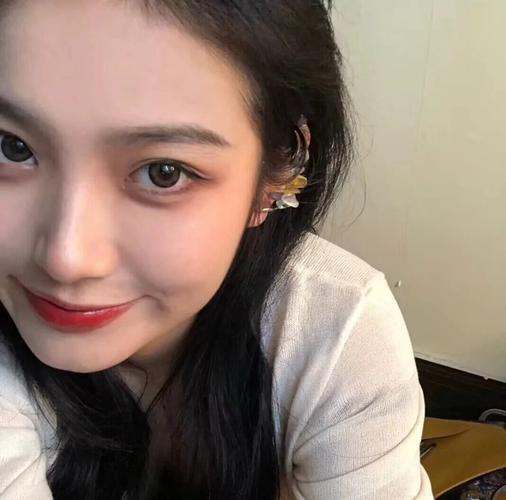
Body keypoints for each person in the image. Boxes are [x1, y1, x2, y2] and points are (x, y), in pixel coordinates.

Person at [0, 0, 434, 499]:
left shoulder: (331, 331)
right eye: (11, 146)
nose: (66, 258)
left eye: (164, 173)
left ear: (277, 174)